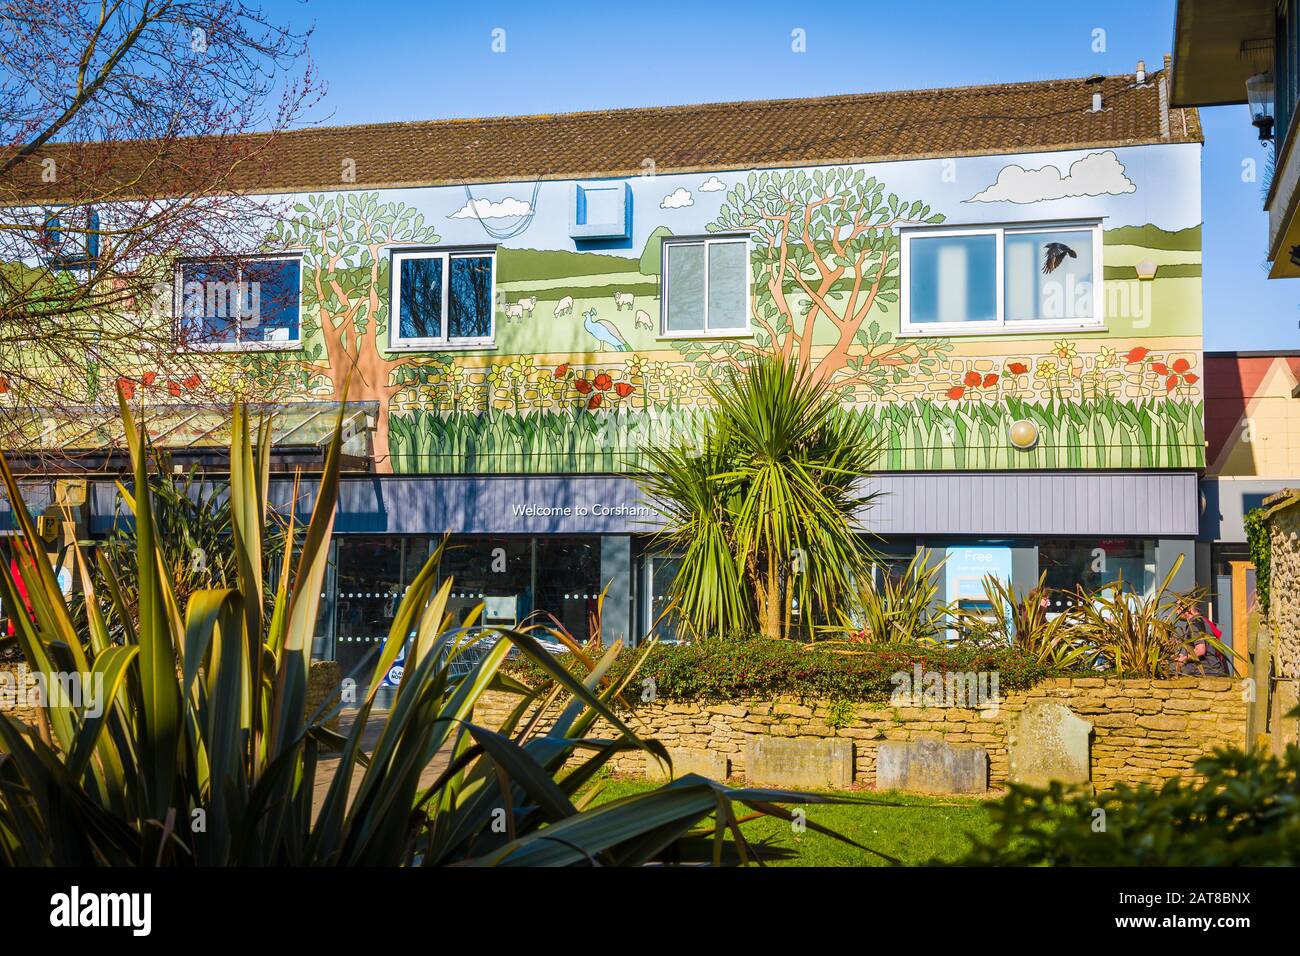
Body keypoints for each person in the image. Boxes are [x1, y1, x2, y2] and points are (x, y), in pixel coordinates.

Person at [1174, 605, 1229, 676]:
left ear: (1189, 609)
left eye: (1178, 608)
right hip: (1214, 670)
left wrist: (1183, 659)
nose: (1176, 612)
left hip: (1207, 671)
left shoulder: (1194, 623)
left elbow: (1200, 650)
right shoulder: (1202, 621)